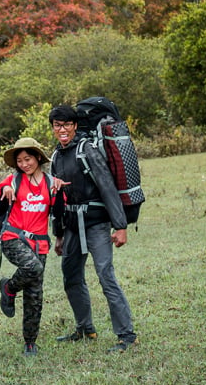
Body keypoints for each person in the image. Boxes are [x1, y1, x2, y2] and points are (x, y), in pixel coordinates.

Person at [47, 104, 138, 352]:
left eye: (66, 124)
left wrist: (120, 226)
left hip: (97, 223)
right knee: (71, 276)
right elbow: (57, 199)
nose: (62, 129)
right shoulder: (56, 156)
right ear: (53, 128)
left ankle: (127, 335)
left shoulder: (87, 150)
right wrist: (58, 234)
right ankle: (86, 329)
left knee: (105, 276)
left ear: (75, 126)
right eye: (57, 125)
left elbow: (107, 186)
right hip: (72, 226)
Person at [0, 137, 54, 356]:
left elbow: (58, 214)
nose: (23, 164)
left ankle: (30, 341)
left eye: (27, 159)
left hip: (40, 243)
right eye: (19, 160)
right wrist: (5, 194)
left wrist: (61, 239)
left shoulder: (50, 183)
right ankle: (9, 288)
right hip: (13, 238)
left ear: (37, 157)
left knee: (35, 294)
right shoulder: (12, 181)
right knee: (33, 268)